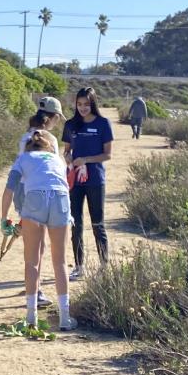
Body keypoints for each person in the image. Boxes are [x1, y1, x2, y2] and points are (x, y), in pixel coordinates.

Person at [0, 129, 75, 330]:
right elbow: (64, 183)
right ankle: (65, 318)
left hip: (34, 199)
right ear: (50, 146)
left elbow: (10, 188)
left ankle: (31, 316)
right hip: (60, 199)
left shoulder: (23, 158)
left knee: (32, 261)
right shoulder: (57, 159)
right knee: (60, 261)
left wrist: (4, 218)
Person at [61, 86, 114, 280]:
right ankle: (79, 265)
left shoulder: (103, 124)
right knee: (76, 223)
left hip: (95, 180)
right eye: (79, 104)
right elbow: (66, 150)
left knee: (98, 223)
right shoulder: (70, 124)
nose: (83, 107)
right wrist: (68, 159)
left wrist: (86, 160)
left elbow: (107, 155)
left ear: (93, 103)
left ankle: (103, 265)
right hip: (75, 181)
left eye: (86, 104)